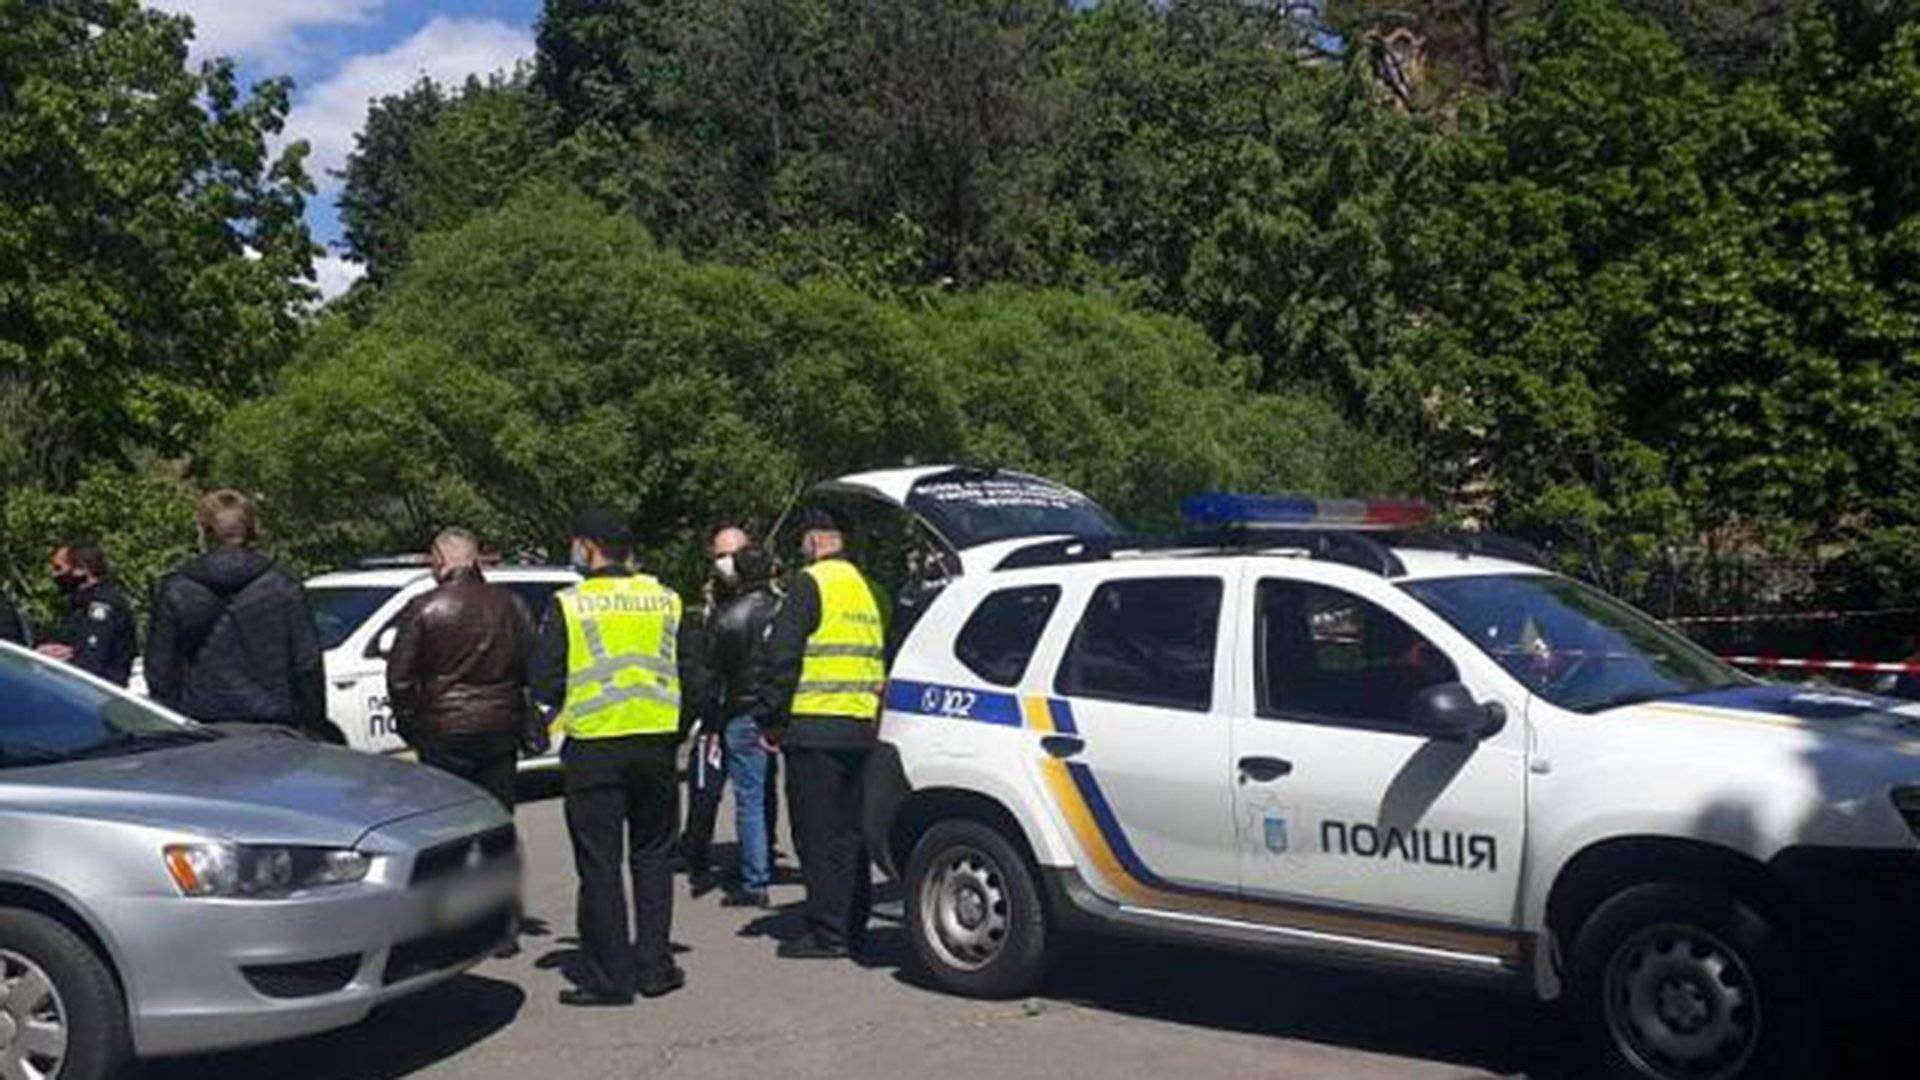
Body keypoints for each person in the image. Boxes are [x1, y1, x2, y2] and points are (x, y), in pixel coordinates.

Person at [531, 509, 701, 1005]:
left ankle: (610, 978)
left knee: (600, 865)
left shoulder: (571, 604)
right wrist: (674, 729)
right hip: (656, 746)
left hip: (596, 748)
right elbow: (694, 674)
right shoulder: (667, 599)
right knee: (653, 858)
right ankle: (655, 967)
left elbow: (544, 681)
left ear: (587, 547)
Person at [752, 507, 887, 960]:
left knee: (817, 836)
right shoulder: (866, 588)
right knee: (851, 834)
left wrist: (770, 718)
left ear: (815, 540)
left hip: (814, 726)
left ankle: (828, 933)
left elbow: (782, 655)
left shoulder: (810, 584)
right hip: (860, 726)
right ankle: (852, 925)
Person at [145, 490, 324, 735]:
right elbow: (307, 664)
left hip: (203, 728)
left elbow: (160, 672)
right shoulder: (283, 587)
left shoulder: (176, 590)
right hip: (275, 728)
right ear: (253, 529)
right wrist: (313, 727)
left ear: (203, 532)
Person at [386, 528, 537, 809]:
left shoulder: (422, 607)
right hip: (500, 726)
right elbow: (532, 664)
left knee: (449, 814)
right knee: (497, 811)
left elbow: (399, 679)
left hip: (442, 729)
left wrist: (411, 726)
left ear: (440, 559)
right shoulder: (510, 604)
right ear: (475, 560)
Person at [680, 524, 781, 901]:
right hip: (745, 712)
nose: (725, 563)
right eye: (720, 555)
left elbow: (711, 667)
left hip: (740, 711)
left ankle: (756, 873)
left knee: (753, 797)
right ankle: (701, 853)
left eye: (732, 556)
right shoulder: (775, 607)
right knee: (713, 791)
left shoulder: (734, 614)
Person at [37, 539, 138, 686]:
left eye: (59, 568)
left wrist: (66, 659)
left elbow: (92, 661)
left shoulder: (102, 605)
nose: (54, 575)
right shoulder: (78, 605)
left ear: (81, 569)